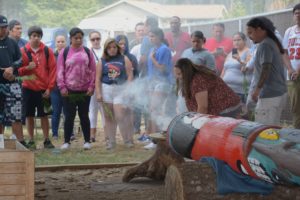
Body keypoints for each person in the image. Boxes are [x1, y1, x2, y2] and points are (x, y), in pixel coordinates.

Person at [57, 27, 96, 150]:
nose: (78, 40)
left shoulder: (87, 52)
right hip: (69, 91)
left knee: (84, 115)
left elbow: (93, 70)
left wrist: (91, 86)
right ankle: (67, 141)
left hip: (85, 90)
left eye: (80, 38)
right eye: (76, 38)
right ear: (71, 38)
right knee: (69, 116)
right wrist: (62, 87)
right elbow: (59, 71)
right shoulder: (64, 52)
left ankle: (87, 141)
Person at [18, 26, 56, 149]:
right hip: (27, 88)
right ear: (29, 37)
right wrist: (26, 68)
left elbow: (53, 70)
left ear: (41, 37)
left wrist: (50, 88)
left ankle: (46, 140)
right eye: (33, 36)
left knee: (44, 115)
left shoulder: (47, 50)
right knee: (29, 115)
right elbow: (16, 70)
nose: (36, 38)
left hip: (44, 89)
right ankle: (31, 140)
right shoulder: (22, 51)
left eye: (38, 36)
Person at [246, 17, 287, 126]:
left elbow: (266, 68)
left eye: (250, 32)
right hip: (279, 93)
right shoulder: (273, 42)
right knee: (273, 128)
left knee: (264, 131)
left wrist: (257, 90)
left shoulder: (265, 45)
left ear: (260, 29)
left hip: (269, 96)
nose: (249, 36)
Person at [95, 38, 133, 150]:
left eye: (114, 47)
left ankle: (127, 139)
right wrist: (98, 93)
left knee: (120, 115)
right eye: (109, 48)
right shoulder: (102, 61)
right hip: (107, 89)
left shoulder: (124, 58)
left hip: (120, 89)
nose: (112, 50)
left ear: (117, 48)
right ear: (106, 49)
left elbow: (130, 75)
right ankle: (111, 141)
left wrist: (128, 89)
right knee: (108, 117)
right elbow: (97, 79)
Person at [174, 58, 241, 117]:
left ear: (187, 72)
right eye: (176, 74)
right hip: (220, 109)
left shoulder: (198, 80)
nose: (177, 77)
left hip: (227, 109)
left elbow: (203, 108)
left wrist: (195, 124)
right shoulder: (191, 78)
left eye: (179, 74)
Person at [0, 15, 27, 147]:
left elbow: (20, 60)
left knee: (16, 114)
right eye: (1, 27)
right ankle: (0, 144)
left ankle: (20, 142)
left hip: (13, 84)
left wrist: (12, 68)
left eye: (5, 27)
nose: (4, 30)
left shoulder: (12, 42)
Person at [144, 27, 173, 150]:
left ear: (160, 37)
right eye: (150, 36)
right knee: (152, 110)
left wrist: (153, 59)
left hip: (162, 83)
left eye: (153, 36)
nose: (151, 38)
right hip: (152, 83)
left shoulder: (165, 49)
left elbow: (162, 68)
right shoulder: (152, 49)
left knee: (155, 109)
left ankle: (157, 141)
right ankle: (153, 138)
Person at [282, 3, 300, 129]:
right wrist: (289, 68)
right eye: (296, 13)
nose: (298, 15)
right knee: (295, 106)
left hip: (297, 72)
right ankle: (297, 133)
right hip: (292, 75)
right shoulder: (289, 31)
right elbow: (284, 51)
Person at [222, 32, 252, 104]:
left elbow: (248, 67)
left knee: (243, 113)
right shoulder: (231, 53)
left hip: (242, 90)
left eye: (239, 40)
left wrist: (239, 60)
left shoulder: (249, 52)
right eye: (234, 40)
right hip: (228, 89)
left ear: (244, 40)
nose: (236, 42)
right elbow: (224, 70)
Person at [88, 30, 105, 143]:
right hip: (92, 84)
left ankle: (107, 134)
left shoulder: (105, 51)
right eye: (93, 39)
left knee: (104, 110)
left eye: (97, 38)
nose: (95, 41)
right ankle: (92, 135)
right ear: (90, 40)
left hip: (104, 84)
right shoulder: (88, 52)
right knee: (92, 109)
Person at [50, 34, 67, 140]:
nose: (60, 43)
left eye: (62, 41)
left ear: (66, 42)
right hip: (55, 88)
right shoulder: (52, 55)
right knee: (56, 111)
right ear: (55, 43)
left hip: (67, 88)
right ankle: (55, 133)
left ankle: (70, 132)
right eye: (58, 41)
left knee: (67, 112)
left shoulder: (69, 54)